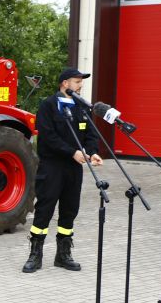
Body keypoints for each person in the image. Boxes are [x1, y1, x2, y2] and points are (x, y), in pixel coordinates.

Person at [22, 68, 103, 273]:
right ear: (65, 83)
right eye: (77, 81)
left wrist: (92, 152)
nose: (80, 85)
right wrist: (71, 152)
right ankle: (35, 254)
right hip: (52, 167)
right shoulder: (48, 106)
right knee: (45, 209)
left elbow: (91, 134)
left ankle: (63, 254)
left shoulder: (81, 107)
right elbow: (48, 137)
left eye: (81, 82)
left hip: (74, 169)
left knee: (70, 210)